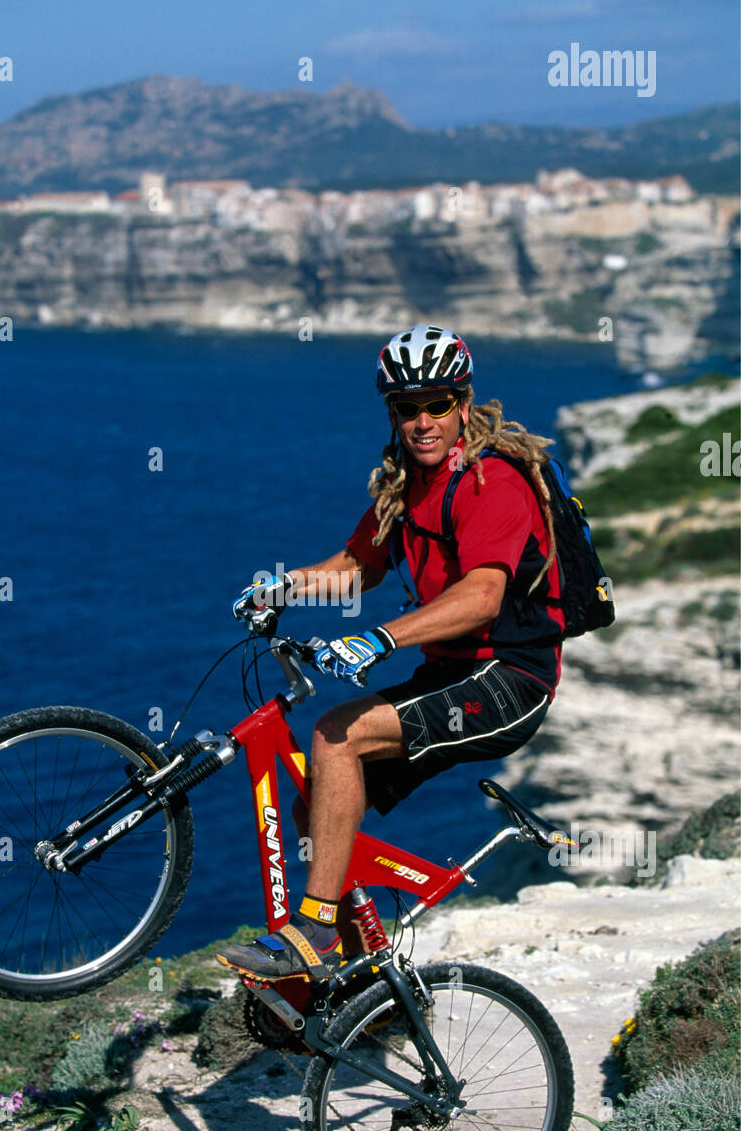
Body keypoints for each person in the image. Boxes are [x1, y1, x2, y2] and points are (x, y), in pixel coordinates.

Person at [217, 324, 564, 983]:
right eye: (407, 408)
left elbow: (482, 596)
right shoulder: (406, 485)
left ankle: (313, 930)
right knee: (314, 798)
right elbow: (359, 566)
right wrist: (283, 586)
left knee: (333, 735)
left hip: (508, 679)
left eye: (436, 404)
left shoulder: (493, 483)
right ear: (391, 413)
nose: (422, 421)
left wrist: (379, 637)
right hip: (456, 673)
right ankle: (366, 974)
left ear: (463, 404)